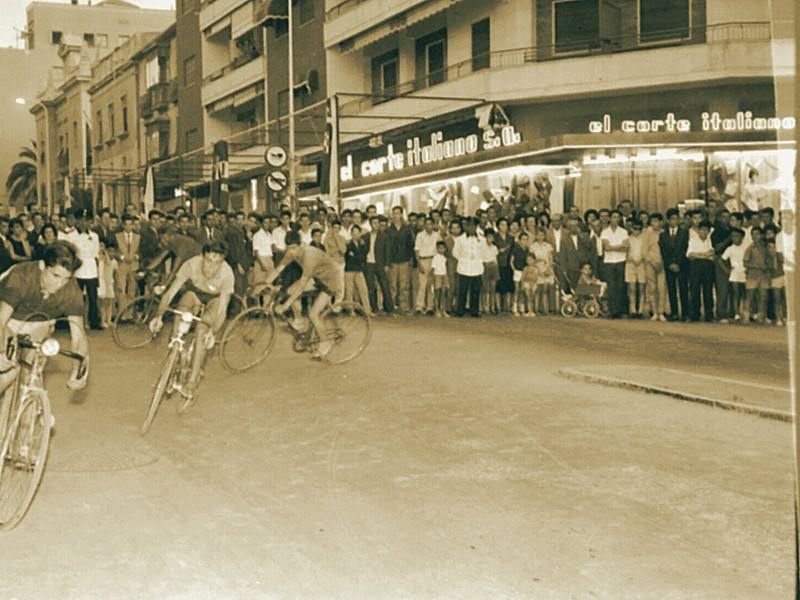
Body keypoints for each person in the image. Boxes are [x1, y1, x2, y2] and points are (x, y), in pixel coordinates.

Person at [0, 242, 90, 396]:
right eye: (55, 275)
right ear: (42, 265)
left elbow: (78, 336)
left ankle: (27, 414)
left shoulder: (71, 289)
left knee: (31, 375)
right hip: (7, 319)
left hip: (39, 323)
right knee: (7, 373)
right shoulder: (21, 277)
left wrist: (79, 369)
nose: (59, 284)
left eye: (65, 278)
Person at [149, 241, 235, 400]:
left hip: (214, 300)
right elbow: (169, 293)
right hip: (194, 293)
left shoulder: (227, 274)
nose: (212, 267)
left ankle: (191, 382)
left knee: (201, 331)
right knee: (179, 315)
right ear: (202, 257)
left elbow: (222, 308)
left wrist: (213, 332)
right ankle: (172, 361)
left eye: (218, 263)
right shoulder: (191, 265)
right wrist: (158, 316)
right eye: (209, 261)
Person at [264, 231, 343, 359]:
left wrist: (285, 306)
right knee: (289, 291)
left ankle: (325, 343)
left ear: (301, 245)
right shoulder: (291, 252)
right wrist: (265, 283)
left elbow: (301, 286)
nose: (292, 252)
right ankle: (299, 320)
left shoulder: (309, 255)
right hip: (317, 277)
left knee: (313, 314)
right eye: (289, 248)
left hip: (330, 280)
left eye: (294, 248)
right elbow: (279, 269)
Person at [60, 210, 102, 331]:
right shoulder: (71, 236)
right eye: (81, 220)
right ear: (77, 221)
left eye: (87, 221)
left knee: (93, 298)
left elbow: (95, 253)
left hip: (91, 269)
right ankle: (76, 323)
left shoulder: (94, 236)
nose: (84, 223)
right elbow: (70, 253)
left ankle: (94, 322)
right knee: (77, 298)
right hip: (78, 270)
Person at [660, 208, 690, 321]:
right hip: (669, 266)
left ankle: (685, 313)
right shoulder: (663, 235)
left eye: (677, 219)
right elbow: (663, 252)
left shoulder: (684, 232)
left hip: (682, 265)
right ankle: (674, 313)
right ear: (668, 220)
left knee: (683, 289)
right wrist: (670, 264)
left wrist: (678, 263)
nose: (674, 221)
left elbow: (684, 249)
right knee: (671, 290)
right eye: (672, 219)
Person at [452, 217, 484, 318]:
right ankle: (460, 310)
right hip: (464, 267)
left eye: (472, 225)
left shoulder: (481, 239)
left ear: (475, 226)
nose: (470, 228)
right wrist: (464, 259)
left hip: (477, 267)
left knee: (475, 290)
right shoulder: (460, 239)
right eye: (468, 225)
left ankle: (474, 311)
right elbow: (455, 252)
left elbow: (483, 252)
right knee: (462, 290)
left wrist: (478, 260)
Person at [600, 211, 629, 318]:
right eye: (613, 217)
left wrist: (613, 247)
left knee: (620, 286)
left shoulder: (624, 232)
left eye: (618, 217)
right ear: (610, 219)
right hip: (609, 262)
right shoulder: (605, 232)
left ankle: (621, 310)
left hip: (621, 261)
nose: (615, 219)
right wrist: (619, 246)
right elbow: (606, 248)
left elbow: (625, 248)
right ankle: (613, 311)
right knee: (611, 287)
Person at [686, 220, 716, 322]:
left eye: (706, 230)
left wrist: (699, 254)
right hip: (696, 267)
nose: (704, 232)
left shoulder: (710, 240)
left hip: (708, 267)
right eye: (702, 230)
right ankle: (695, 313)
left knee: (708, 291)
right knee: (695, 291)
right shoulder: (693, 240)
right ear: (698, 230)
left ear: (708, 231)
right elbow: (690, 254)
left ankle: (709, 314)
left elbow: (712, 253)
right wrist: (704, 255)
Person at [743, 227, 770, 323]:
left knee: (763, 296)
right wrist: (757, 266)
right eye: (753, 234)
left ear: (761, 235)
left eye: (757, 234)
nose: (755, 236)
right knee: (750, 296)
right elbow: (745, 263)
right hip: (752, 275)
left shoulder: (766, 248)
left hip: (764, 276)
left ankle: (761, 316)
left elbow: (769, 261)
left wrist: (766, 266)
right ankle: (746, 316)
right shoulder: (750, 248)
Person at [414, 217, 440, 315]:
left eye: (431, 224)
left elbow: (439, 250)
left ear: (433, 225)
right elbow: (417, 250)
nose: (429, 226)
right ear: (424, 225)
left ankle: (430, 307)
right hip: (423, 260)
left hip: (433, 260)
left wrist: (436, 264)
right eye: (427, 224)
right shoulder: (420, 235)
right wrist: (419, 263)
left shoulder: (437, 236)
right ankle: (419, 307)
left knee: (431, 285)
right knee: (422, 285)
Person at [722, 228, 747, 322]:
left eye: (737, 236)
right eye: (733, 236)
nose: (735, 238)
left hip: (745, 272)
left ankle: (745, 311)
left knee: (745, 294)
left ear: (742, 237)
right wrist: (726, 269)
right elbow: (721, 259)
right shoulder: (730, 248)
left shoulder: (746, 247)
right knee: (736, 294)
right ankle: (736, 313)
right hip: (735, 273)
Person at [529, 228, 555, 315]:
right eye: (538, 235)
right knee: (537, 290)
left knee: (545, 289)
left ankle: (545, 308)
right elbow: (531, 260)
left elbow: (550, 259)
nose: (540, 237)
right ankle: (536, 308)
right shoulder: (533, 246)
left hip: (546, 269)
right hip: (536, 269)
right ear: (536, 236)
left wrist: (548, 268)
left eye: (542, 235)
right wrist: (538, 264)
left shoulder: (548, 246)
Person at [624, 220, 646, 318]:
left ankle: (640, 310)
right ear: (631, 228)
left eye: (639, 229)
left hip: (642, 263)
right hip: (630, 264)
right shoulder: (627, 239)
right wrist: (631, 259)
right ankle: (632, 310)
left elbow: (646, 251)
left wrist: (641, 258)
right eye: (635, 229)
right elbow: (625, 252)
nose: (637, 231)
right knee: (631, 288)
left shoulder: (645, 239)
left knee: (641, 288)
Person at [97, 241, 117, 328]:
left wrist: (105, 253)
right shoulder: (100, 258)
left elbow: (109, 262)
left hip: (109, 283)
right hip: (102, 282)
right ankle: (102, 320)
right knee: (103, 303)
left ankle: (108, 320)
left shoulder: (111, 260)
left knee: (109, 302)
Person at [509, 231, 530, 316]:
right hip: (517, 271)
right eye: (523, 239)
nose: (524, 241)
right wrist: (514, 270)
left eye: (526, 239)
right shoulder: (515, 249)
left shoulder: (527, 249)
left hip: (524, 271)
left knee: (522, 290)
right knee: (517, 289)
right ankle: (514, 308)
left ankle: (521, 308)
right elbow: (511, 261)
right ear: (519, 240)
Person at [767, 239, 786, 326]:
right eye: (770, 247)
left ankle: (785, 317)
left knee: (784, 298)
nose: (772, 249)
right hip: (775, 279)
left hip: (784, 277)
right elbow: (770, 270)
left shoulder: (780, 255)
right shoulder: (767, 258)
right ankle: (779, 318)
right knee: (777, 299)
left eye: (773, 247)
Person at [480, 229, 499, 314]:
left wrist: (495, 266)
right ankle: (485, 307)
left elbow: (495, 259)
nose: (490, 239)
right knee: (485, 288)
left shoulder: (494, 247)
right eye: (489, 237)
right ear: (485, 237)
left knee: (493, 288)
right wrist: (486, 263)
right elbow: (481, 259)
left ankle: (492, 307)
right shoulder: (482, 247)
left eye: (492, 237)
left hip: (494, 267)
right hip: (485, 267)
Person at [431, 241, 450, 318]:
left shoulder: (445, 258)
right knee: (437, 293)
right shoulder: (435, 258)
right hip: (437, 275)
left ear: (445, 249)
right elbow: (433, 268)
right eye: (439, 248)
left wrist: (447, 277)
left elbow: (446, 268)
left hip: (444, 276)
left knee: (443, 293)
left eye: (443, 248)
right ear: (437, 249)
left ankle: (443, 309)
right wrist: (432, 278)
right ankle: (436, 310)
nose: (441, 250)